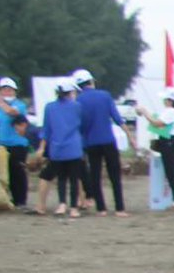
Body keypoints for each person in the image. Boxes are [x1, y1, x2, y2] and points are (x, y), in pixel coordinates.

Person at [73, 69, 128, 217]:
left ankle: (101, 208)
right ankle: (120, 208)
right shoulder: (105, 96)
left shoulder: (78, 101)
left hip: (91, 143)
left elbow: (80, 125)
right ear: (91, 82)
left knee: (95, 175)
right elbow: (117, 118)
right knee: (114, 175)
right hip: (108, 140)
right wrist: (131, 137)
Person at [41, 79, 86, 218]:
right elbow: (82, 125)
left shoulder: (49, 107)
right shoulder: (77, 106)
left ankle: (62, 204)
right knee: (74, 178)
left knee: (61, 178)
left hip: (56, 147)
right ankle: (73, 208)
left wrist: (41, 148)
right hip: (74, 147)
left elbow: (46, 130)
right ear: (70, 92)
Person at [137, 87, 174, 210]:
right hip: (167, 142)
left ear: (170, 100)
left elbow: (157, 123)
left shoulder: (171, 112)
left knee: (171, 171)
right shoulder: (170, 111)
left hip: (169, 143)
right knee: (170, 171)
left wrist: (145, 112)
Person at [0, 77, 29, 209]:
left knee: (17, 172)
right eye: (4, 90)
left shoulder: (19, 104)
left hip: (17, 144)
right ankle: (5, 199)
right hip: (1, 143)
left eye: (9, 90)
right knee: (3, 174)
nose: (7, 92)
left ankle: (20, 200)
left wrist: (0, 102)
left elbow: (13, 112)